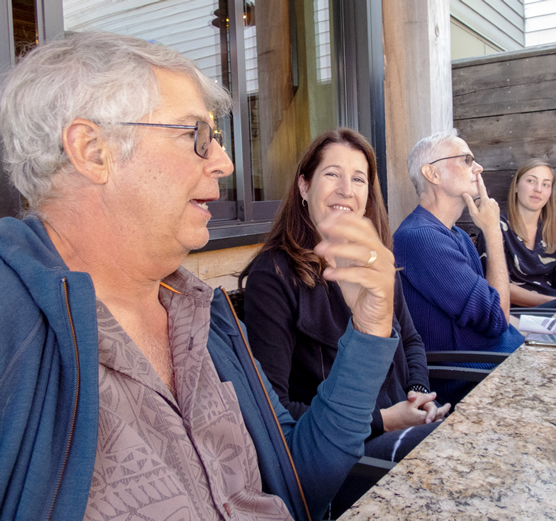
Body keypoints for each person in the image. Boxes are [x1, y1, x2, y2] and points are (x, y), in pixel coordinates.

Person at [0, 32, 399, 521]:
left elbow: (298, 480)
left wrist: (370, 325)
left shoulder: (205, 317)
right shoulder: (11, 317)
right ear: (93, 150)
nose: (225, 163)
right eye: (197, 137)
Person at [240, 128, 450, 463]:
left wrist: (419, 394)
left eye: (358, 179)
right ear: (304, 186)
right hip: (347, 457)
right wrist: (384, 420)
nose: (346, 190)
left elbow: (409, 340)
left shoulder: (373, 259)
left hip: (407, 425)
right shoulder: (274, 276)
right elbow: (274, 408)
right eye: (332, 174)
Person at [392, 130, 524, 404]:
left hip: (503, 359)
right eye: (466, 159)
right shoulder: (420, 238)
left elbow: (495, 311)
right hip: (471, 376)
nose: (478, 168)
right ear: (432, 174)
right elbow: (497, 317)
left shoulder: (458, 235)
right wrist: (493, 231)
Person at [477, 158, 556, 309]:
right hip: (509, 314)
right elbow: (493, 284)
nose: (538, 189)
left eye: (546, 184)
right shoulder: (494, 226)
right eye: (531, 181)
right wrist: (553, 304)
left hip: (552, 315)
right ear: (516, 186)